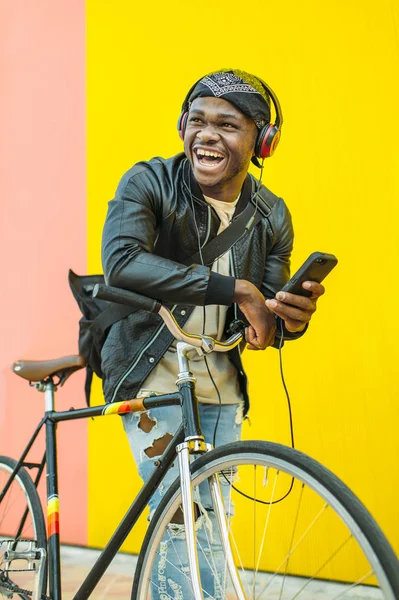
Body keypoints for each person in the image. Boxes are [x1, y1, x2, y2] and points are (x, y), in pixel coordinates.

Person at [101, 69, 325, 598]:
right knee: (183, 518)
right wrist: (237, 289)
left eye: (228, 124)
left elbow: (265, 319)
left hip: (223, 381)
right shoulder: (148, 181)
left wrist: (287, 318)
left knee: (212, 522)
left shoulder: (272, 214)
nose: (207, 134)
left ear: (261, 141)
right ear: (182, 126)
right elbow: (122, 262)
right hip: (152, 371)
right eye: (197, 120)